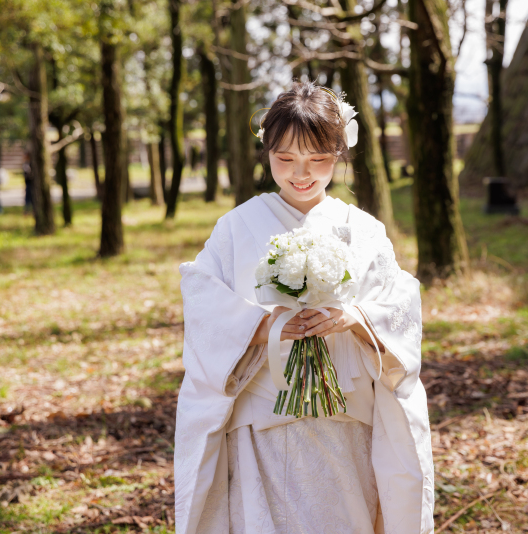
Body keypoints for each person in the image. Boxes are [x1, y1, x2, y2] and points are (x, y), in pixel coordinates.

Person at [175, 81, 433, 534]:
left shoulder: (363, 230)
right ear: (267, 152)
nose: (301, 173)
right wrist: (260, 325)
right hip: (263, 416)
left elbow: (400, 302)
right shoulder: (236, 227)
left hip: (346, 416)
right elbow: (202, 300)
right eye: (285, 159)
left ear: (339, 153)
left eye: (318, 159)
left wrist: (356, 318)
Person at [22, 151, 34, 215]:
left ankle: (31, 210)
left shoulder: (30, 164)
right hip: (27, 183)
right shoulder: (25, 164)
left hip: (30, 183)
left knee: (31, 197)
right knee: (27, 198)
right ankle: (27, 210)